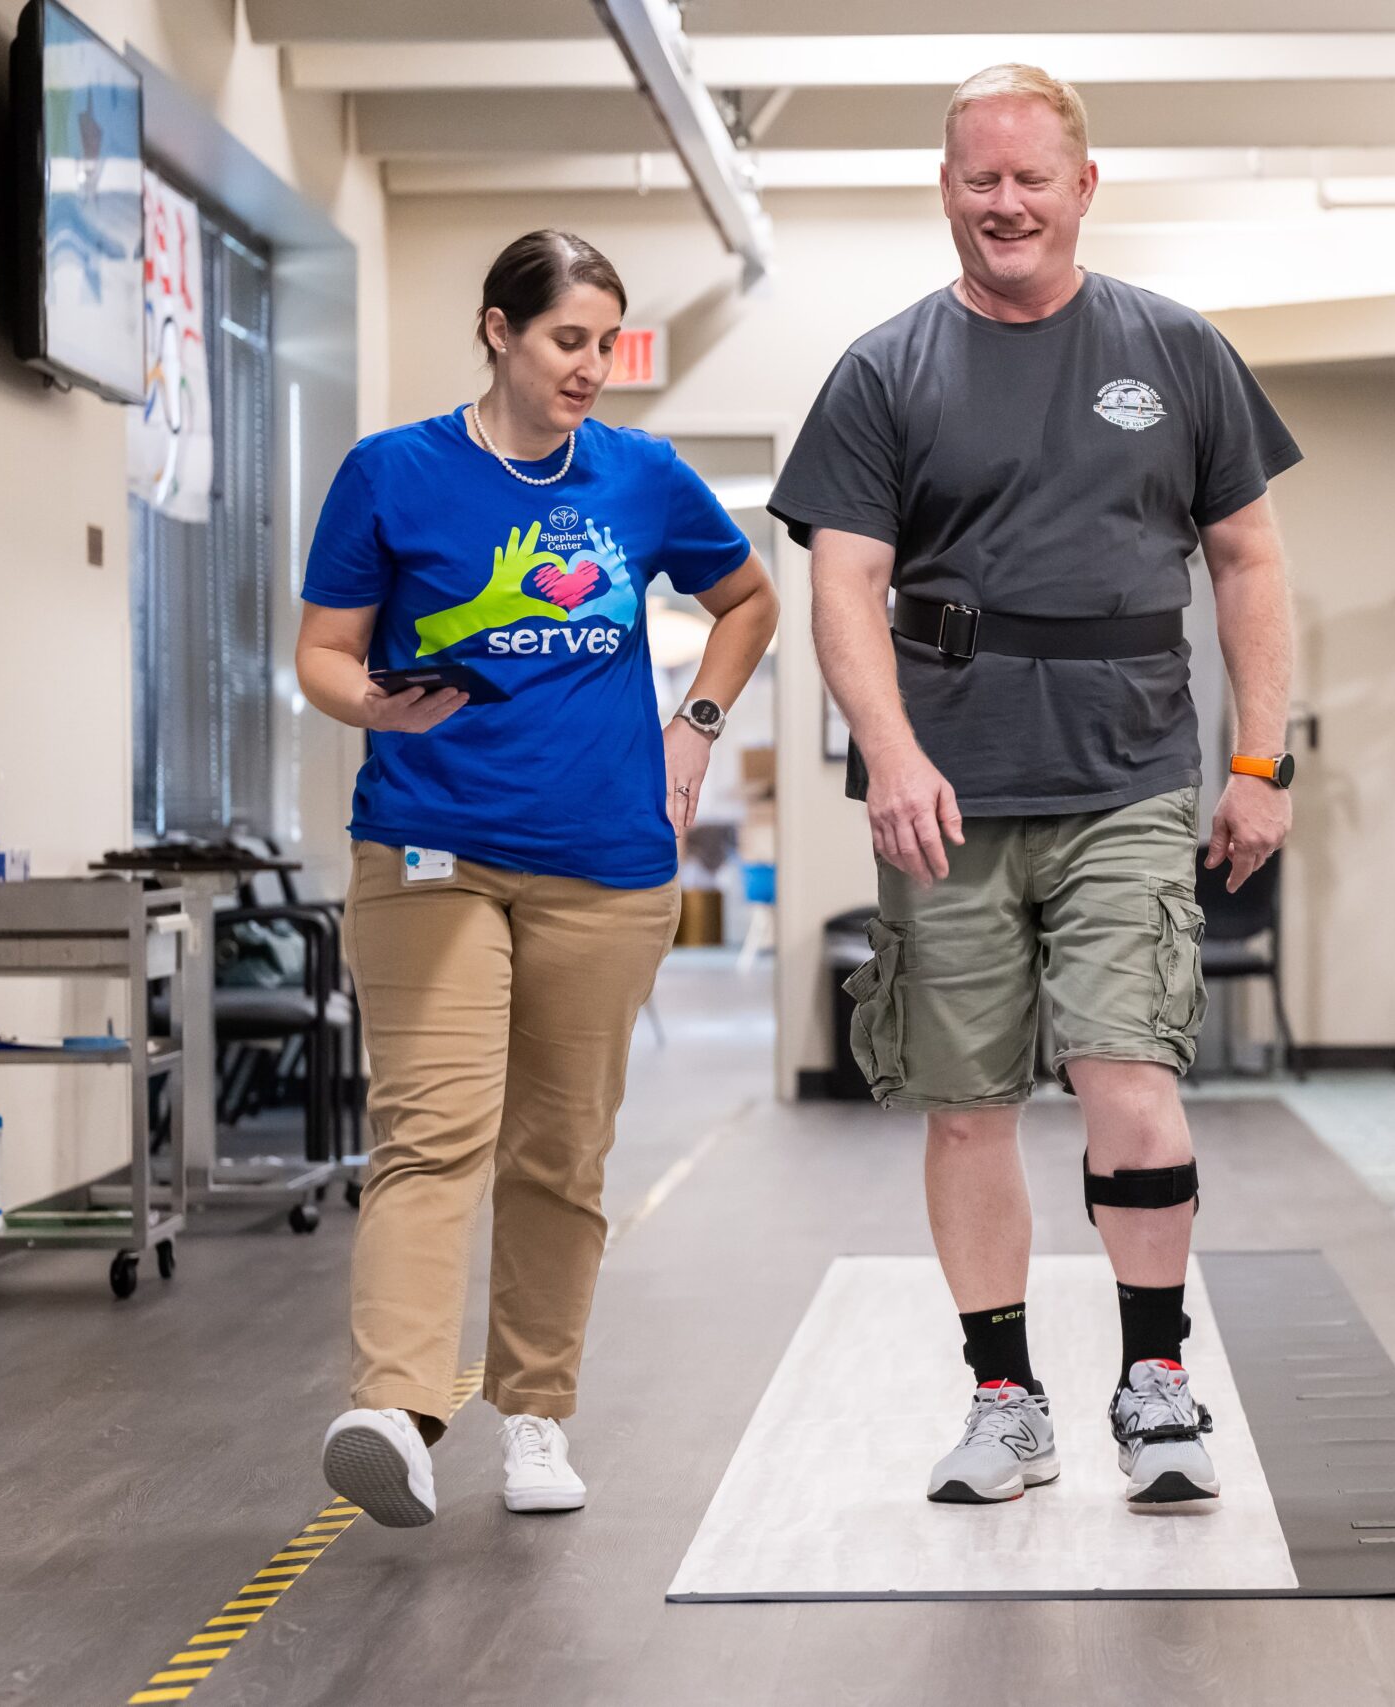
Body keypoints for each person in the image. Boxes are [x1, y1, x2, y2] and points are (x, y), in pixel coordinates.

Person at [771, 66, 1302, 1507]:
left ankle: (1155, 1382)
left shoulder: (1175, 351)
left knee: (1128, 1073)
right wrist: (886, 750)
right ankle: (1006, 1400)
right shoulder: (886, 371)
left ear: (1082, 186)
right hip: (947, 787)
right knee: (964, 1104)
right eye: (977, 178)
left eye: (1029, 178)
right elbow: (844, 584)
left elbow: (1248, 560)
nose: (1004, 203)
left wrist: (1259, 761)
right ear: (946, 188)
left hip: (1129, 772)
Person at [297, 229, 777, 1527]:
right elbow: (325, 655)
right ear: (498, 329)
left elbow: (748, 600)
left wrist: (700, 725)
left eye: (607, 345)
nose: (591, 368)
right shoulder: (392, 473)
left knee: (561, 1152)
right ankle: (395, 1409)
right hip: (430, 850)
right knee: (433, 1131)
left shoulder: (643, 476)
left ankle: (538, 1420)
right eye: (569, 339)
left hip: (607, 866)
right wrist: (379, 712)